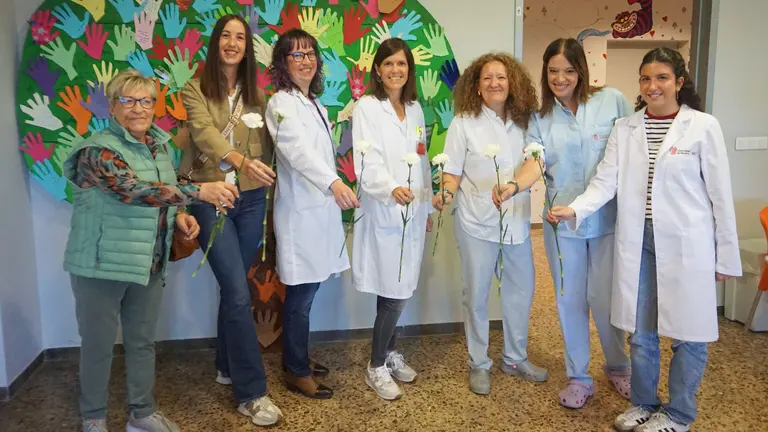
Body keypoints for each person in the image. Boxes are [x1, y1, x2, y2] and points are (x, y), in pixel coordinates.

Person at [549, 47, 741, 431]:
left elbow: (721, 195)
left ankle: (679, 413)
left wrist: (725, 256)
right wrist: (576, 208)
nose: (653, 87)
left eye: (662, 78)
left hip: (689, 243)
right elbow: (606, 180)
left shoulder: (703, 126)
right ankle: (645, 403)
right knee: (641, 331)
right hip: (639, 240)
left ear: (679, 82)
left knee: (689, 334)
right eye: (646, 79)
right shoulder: (627, 128)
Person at [63, 69, 240, 432]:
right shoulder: (96, 150)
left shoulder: (159, 145)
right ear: (112, 107)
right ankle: (93, 419)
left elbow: (163, 191)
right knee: (97, 346)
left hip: (148, 261)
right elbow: (131, 190)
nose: (137, 108)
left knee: (143, 342)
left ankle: (141, 413)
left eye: (145, 100)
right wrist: (198, 193)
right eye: (127, 100)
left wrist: (179, 218)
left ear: (154, 106)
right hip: (101, 265)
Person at [494, 38, 633, 408]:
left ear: (581, 71)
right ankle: (579, 377)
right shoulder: (539, 117)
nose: (561, 78)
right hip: (561, 225)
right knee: (570, 301)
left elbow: (633, 151)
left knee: (604, 300)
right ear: (545, 72)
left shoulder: (612, 101)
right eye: (553, 71)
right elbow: (534, 162)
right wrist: (513, 185)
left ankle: (619, 367)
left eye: (569, 70)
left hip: (607, 221)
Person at [181, 15, 282, 427]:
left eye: (241, 37)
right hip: (210, 199)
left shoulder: (260, 96)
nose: (233, 43)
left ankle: (226, 363)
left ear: (247, 47)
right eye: (226, 35)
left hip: (252, 201)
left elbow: (276, 141)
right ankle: (252, 392)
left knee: (235, 288)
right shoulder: (194, 89)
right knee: (240, 294)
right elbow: (204, 134)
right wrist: (240, 160)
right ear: (216, 42)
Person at [432, 52, 547, 396]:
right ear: (477, 87)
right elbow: (451, 172)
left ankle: (514, 357)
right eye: (487, 78)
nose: (495, 83)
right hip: (476, 222)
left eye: (501, 77)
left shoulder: (528, 121)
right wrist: (446, 193)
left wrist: (514, 187)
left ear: (512, 83)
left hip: (515, 224)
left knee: (520, 293)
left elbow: (538, 161)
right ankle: (479, 362)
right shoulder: (463, 123)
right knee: (477, 296)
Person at [265, 29, 359, 399]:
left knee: (309, 292)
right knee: (300, 297)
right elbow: (297, 153)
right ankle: (295, 370)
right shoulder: (280, 104)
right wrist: (334, 183)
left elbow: (321, 153)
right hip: (301, 213)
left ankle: (297, 354)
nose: (305, 60)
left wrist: (333, 185)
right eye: (296, 55)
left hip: (319, 212)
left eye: (310, 54)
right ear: (283, 63)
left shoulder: (315, 104)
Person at [351, 38, 432, 401]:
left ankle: (389, 353)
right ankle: (375, 365)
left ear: (408, 69)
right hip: (385, 208)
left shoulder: (414, 109)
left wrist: (427, 207)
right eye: (389, 64)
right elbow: (365, 160)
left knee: (399, 288)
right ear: (378, 71)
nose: (395, 70)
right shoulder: (367, 107)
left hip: (413, 212)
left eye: (402, 64)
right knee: (393, 293)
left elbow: (423, 158)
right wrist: (389, 187)